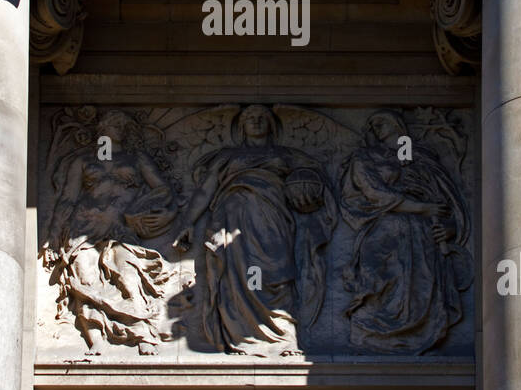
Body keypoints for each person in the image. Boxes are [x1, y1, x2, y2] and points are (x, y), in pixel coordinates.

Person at [175, 105, 333, 356]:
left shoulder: (285, 154)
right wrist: (188, 222)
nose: (256, 121)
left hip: (274, 218)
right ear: (241, 125)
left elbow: (316, 174)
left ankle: (282, 335)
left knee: (276, 273)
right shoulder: (228, 156)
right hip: (233, 216)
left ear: (272, 124)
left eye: (262, 117)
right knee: (237, 274)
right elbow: (205, 190)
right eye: (250, 117)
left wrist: (307, 186)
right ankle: (242, 337)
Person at [44, 110, 178, 355]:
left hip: (121, 229)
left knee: (128, 276)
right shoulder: (83, 161)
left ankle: (142, 332)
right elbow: (67, 199)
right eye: (113, 122)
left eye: (123, 124)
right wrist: (53, 236)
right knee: (84, 279)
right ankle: (95, 338)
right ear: (101, 128)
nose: (119, 126)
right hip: (83, 229)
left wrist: (143, 209)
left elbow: (163, 189)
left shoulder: (135, 159)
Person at [338, 110, 473, 353]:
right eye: (372, 122)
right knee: (377, 281)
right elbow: (374, 192)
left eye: (383, 120)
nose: (376, 124)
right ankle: (372, 331)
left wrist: (449, 227)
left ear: (399, 124)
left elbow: (446, 203)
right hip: (383, 231)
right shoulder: (365, 158)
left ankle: (418, 332)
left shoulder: (421, 160)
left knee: (421, 287)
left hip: (423, 235)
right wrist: (422, 207)